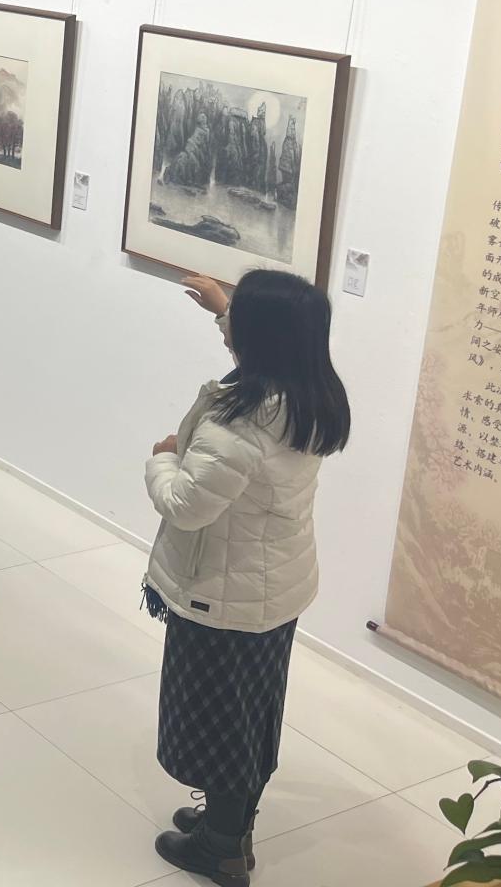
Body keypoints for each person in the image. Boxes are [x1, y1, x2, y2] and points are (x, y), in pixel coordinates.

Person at [145, 271, 350, 885]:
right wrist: (221, 310)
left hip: (223, 594)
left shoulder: (239, 424)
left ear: (261, 337)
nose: (228, 320)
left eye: (237, 313)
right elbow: (255, 356)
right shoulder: (307, 395)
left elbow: (185, 505)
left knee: (219, 725)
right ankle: (229, 828)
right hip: (274, 587)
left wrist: (162, 457)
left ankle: (222, 848)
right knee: (251, 714)